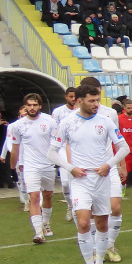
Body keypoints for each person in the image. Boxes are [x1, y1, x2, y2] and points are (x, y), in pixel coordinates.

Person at [47, 80, 129, 264]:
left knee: (102, 224)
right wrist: (70, 168)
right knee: (84, 223)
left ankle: (100, 263)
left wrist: (109, 165)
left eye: (97, 100)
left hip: (101, 179)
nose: (95, 104)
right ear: (79, 101)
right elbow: (51, 152)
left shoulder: (106, 121)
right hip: (80, 180)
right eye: (91, 100)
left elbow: (123, 147)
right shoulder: (67, 123)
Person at [11, 94, 58, 243]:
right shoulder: (17, 126)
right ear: (25, 107)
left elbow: (58, 143)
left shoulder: (50, 122)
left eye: (35, 105)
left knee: (48, 195)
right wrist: (12, 167)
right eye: (29, 105)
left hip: (48, 165)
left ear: (40, 106)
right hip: (31, 167)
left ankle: (46, 223)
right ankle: (38, 233)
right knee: (34, 197)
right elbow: (15, 148)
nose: (32, 108)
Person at [94, 91, 128, 263]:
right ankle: (95, 248)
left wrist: (121, 164)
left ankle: (110, 245)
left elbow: (118, 141)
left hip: (110, 166)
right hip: (90, 170)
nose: (95, 101)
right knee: (94, 213)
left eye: (97, 96)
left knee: (115, 208)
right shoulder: (73, 118)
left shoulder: (110, 113)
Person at [52, 88, 79, 221]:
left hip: (77, 149)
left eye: (75, 97)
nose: (73, 99)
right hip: (62, 148)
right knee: (64, 183)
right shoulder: (58, 112)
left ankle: (78, 207)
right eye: (70, 96)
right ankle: (69, 206)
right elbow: (54, 131)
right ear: (66, 97)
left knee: (76, 180)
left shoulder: (80, 111)